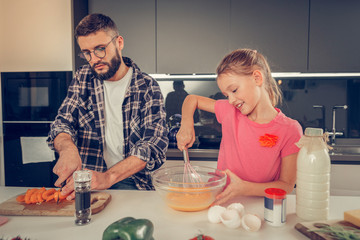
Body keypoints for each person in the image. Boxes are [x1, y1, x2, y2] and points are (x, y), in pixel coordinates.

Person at [47, 13, 168, 200]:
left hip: (130, 180)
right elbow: (63, 122)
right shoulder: (83, 77)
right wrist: (67, 148)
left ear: (119, 43)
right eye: (87, 53)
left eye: (100, 49)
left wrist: (107, 177)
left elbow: (153, 145)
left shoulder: (146, 86)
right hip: (87, 178)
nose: (94, 59)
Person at [176, 49, 303, 205]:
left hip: (260, 207)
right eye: (227, 95)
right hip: (221, 202)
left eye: (234, 90)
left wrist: (243, 188)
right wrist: (186, 125)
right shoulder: (230, 111)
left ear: (257, 78)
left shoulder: (290, 129)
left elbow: (286, 186)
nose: (231, 100)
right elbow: (191, 99)